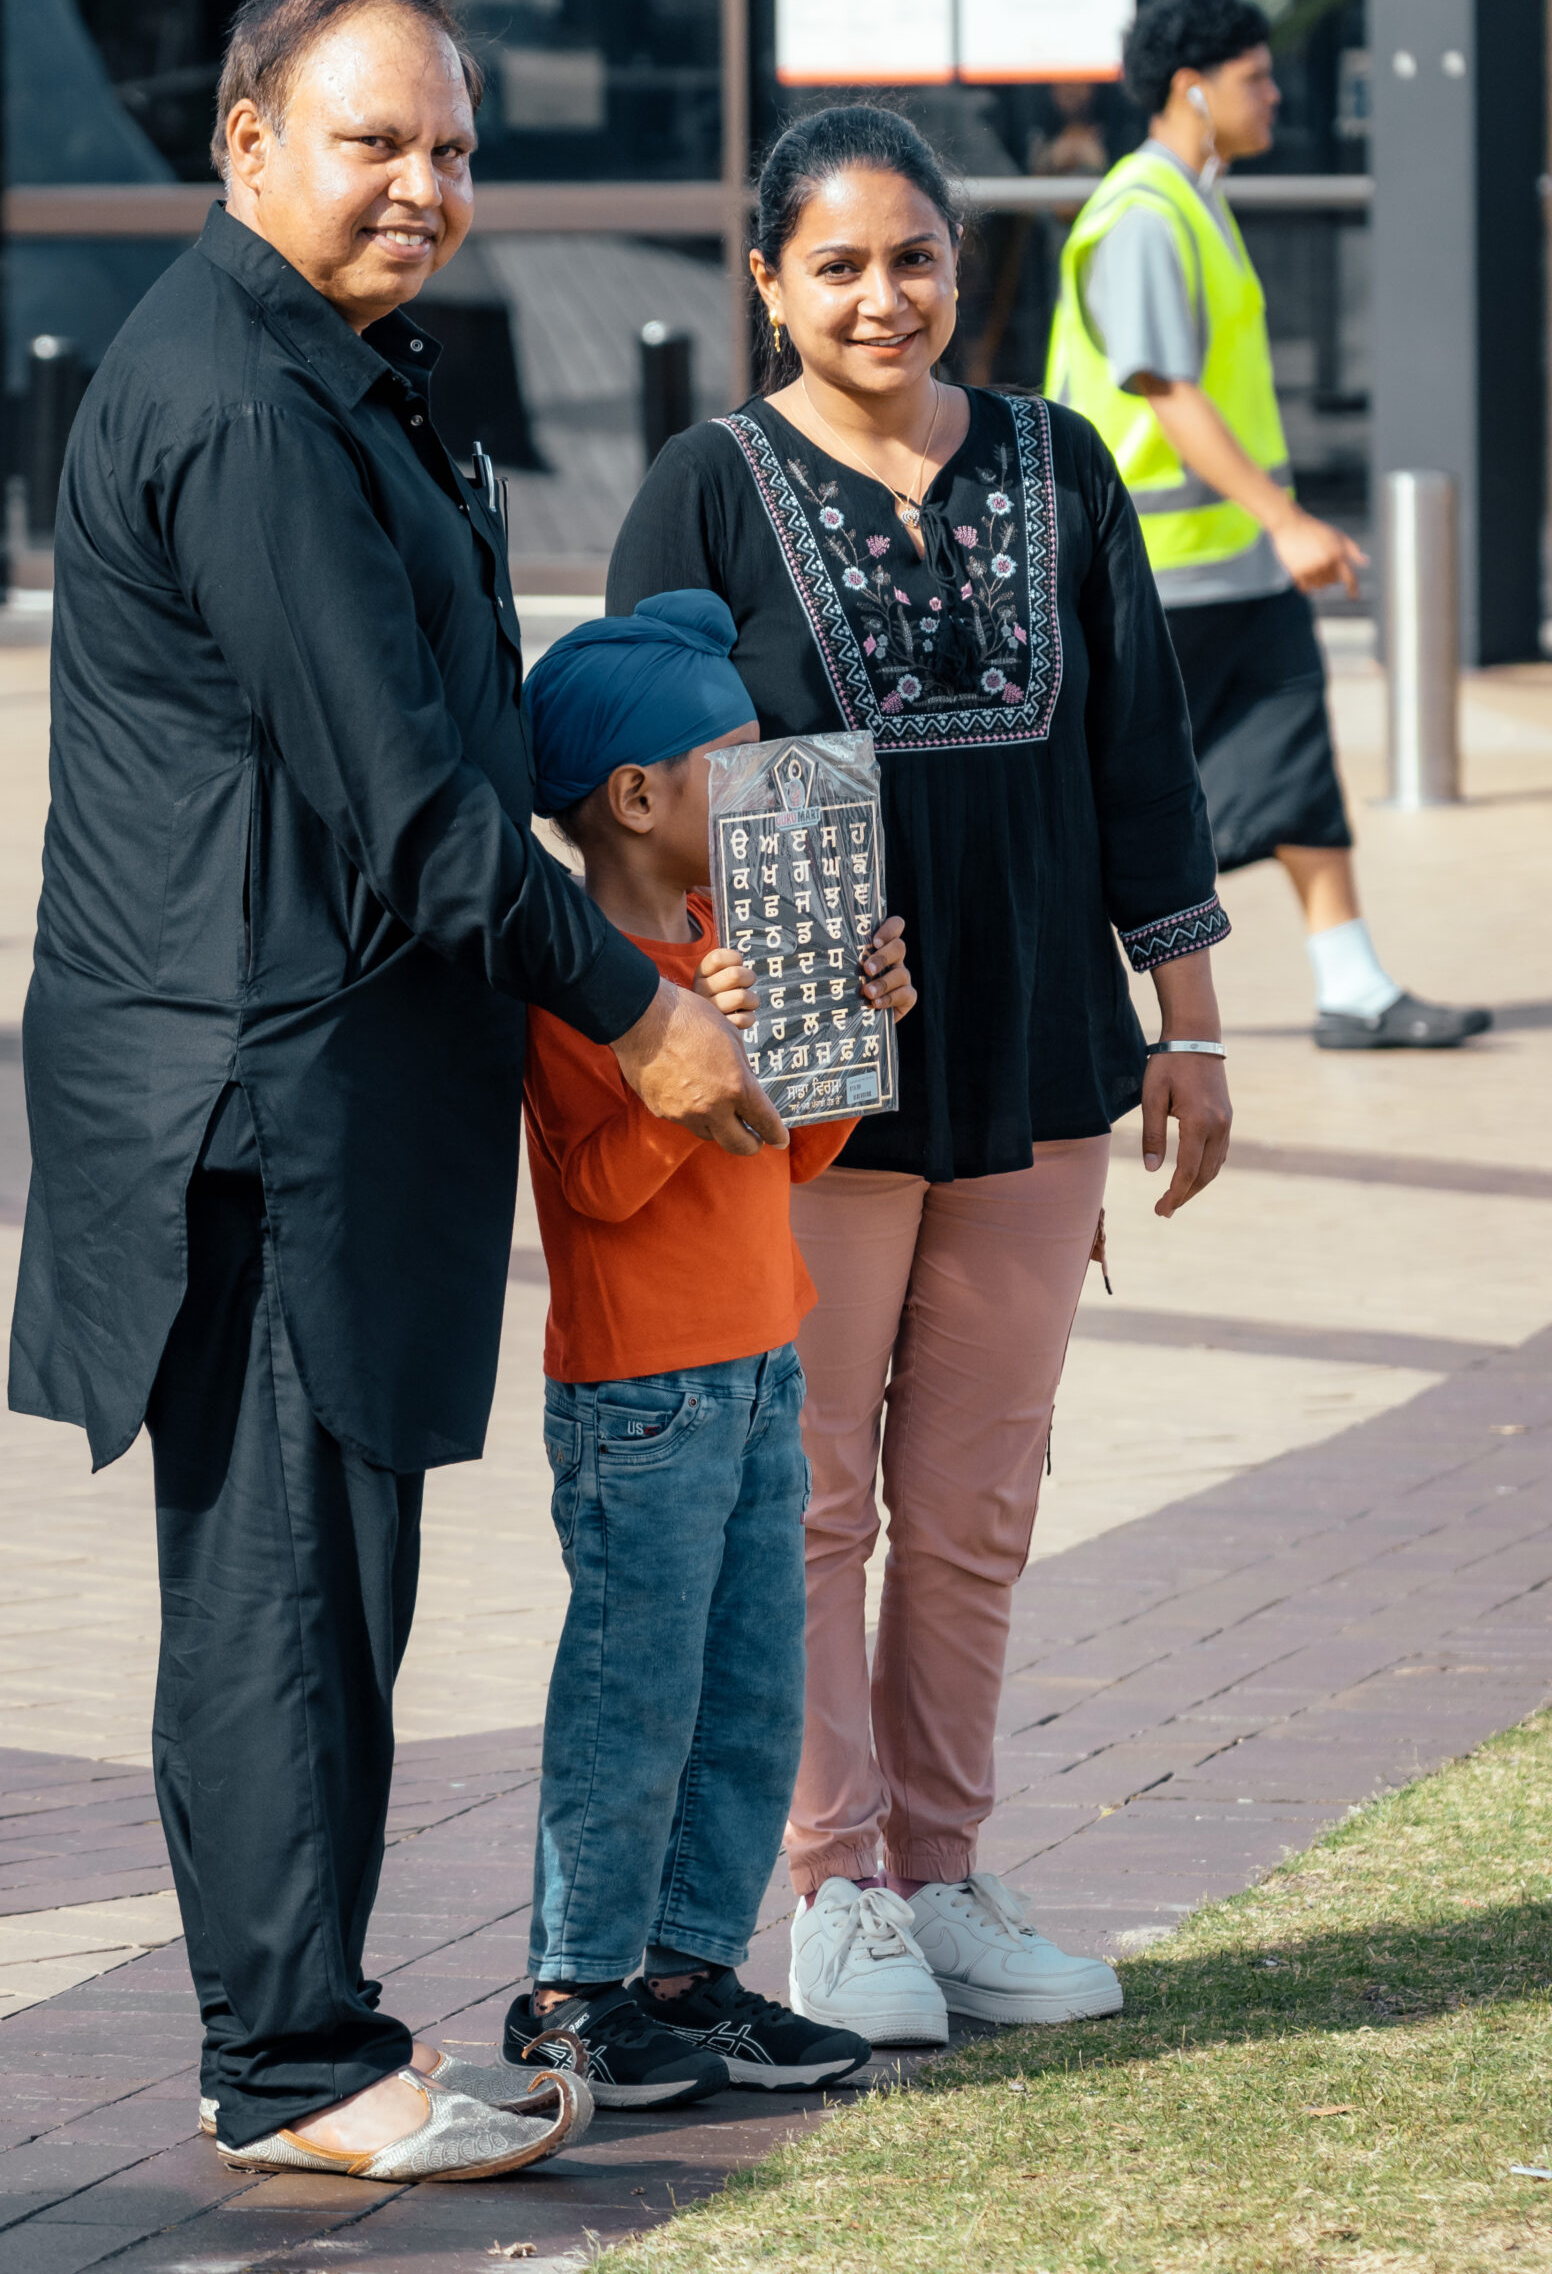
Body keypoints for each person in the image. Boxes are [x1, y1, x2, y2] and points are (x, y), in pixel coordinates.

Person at [8, 0, 781, 2186]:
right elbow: (418, 807)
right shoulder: (249, 406)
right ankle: (296, 2065)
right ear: (246, 142)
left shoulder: (335, 370)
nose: (423, 185)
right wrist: (639, 1011)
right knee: (282, 1584)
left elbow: (465, 745)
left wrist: (677, 908)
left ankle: (301, 2036)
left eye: (451, 146)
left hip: (326, 1073)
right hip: (256, 1100)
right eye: (374, 142)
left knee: (320, 1574)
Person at [607, 104, 1232, 2045]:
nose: (882, 297)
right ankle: (838, 1892)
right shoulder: (708, 489)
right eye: (838, 265)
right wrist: (703, 967)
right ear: (766, 282)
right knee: (810, 1501)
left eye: (915, 258)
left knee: (973, 1503)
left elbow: (1143, 754)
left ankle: (948, 1879)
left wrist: (1192, 1023)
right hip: (818, 1081)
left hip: (1043, 1050)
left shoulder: (1061, 464)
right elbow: (621, 784)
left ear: (962, 263)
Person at [502, 590, 912, 2107]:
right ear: (635, 796)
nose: (762, 786)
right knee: (633, 1700)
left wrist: (847, 1037)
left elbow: (791, 1158)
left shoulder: (728, 941)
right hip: (640, 1398)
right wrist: (690, 1052)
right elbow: (600, 1189)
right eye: (730, 761)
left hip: (761, 1366)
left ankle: (689, 1975)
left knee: (750, 1698)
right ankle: (573, 1991)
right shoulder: (586, 984)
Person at [1047, 0, 1491, 1051]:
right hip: (1155, 573)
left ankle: (1354, 987)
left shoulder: (1195, 201)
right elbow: (1167, 391)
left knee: (1297, 753)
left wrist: (1270, 529)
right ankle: (1051, 997)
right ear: (1191, 90)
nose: (1276, 95)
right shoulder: (1142, 214)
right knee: (1109, 799)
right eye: (1255, 77)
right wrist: (1285, 519)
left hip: (1230, 566)